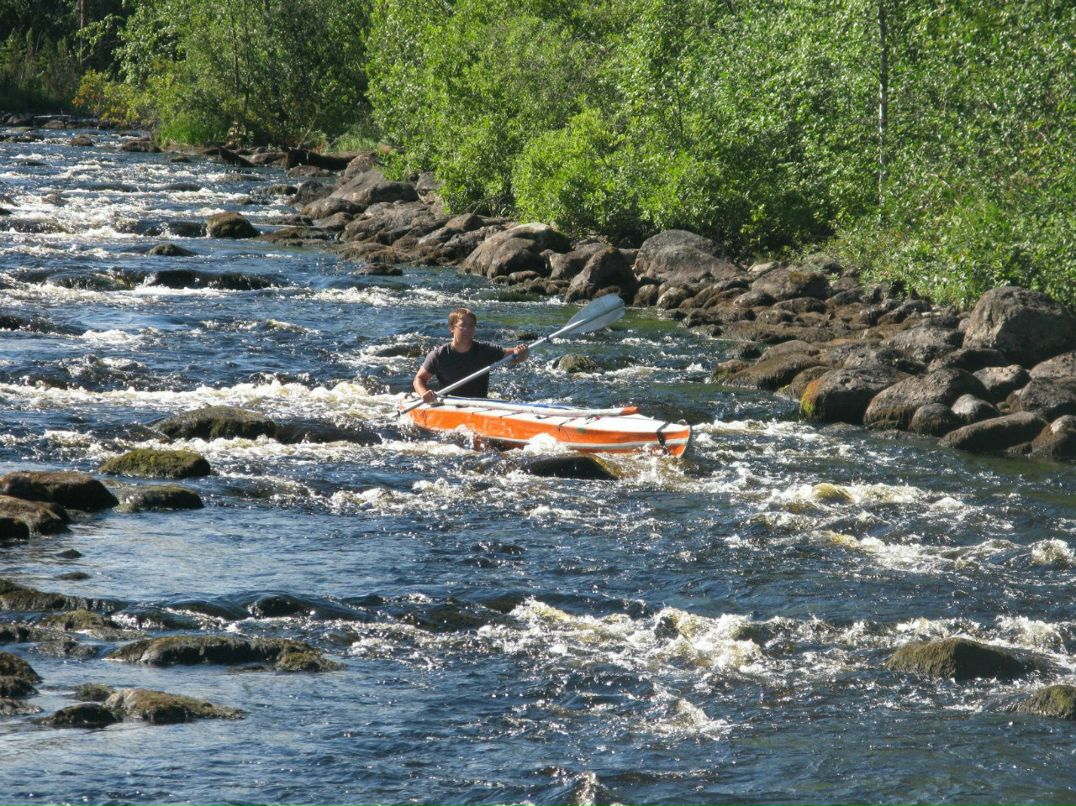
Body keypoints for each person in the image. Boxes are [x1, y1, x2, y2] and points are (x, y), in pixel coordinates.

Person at [413, 307, 528, 403]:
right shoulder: (438, 355)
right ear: (452, 328)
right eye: (463, 326)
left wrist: (522, 354)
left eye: (471, 325)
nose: (468, 329)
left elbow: (515, 357)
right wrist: (424, 393)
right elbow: (419, 379)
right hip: (450, 405)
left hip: (479, 404)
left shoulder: (485, 350)